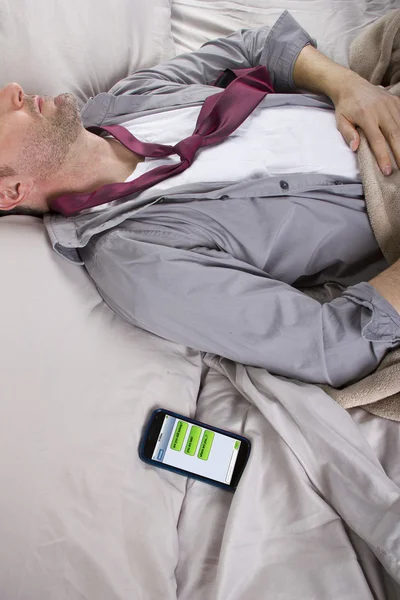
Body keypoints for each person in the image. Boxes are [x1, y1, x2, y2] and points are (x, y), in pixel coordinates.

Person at [1, 11, 400, 388]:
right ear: (10, 191)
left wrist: (351, 87)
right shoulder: (136, 259)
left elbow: (256, 45)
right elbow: (330, 345)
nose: (12, 91)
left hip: (378, 102)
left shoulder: (131, 98)